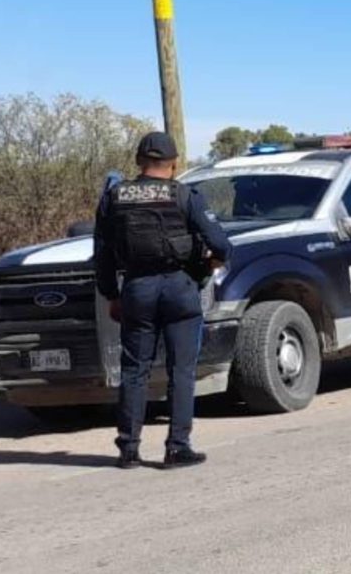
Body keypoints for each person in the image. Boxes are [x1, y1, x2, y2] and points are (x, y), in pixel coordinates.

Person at [94, 132, 231, 469]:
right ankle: (177, 447)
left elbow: (102, 253)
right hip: (179, 287)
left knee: (134, 370)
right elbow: (221, 244)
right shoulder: (184, 195)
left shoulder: (114, 196)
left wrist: (112, 294)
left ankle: (128, 450)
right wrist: (211, 263)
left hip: (137, 288)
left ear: (138, 161)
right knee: (181, 370)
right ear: (174, 164)